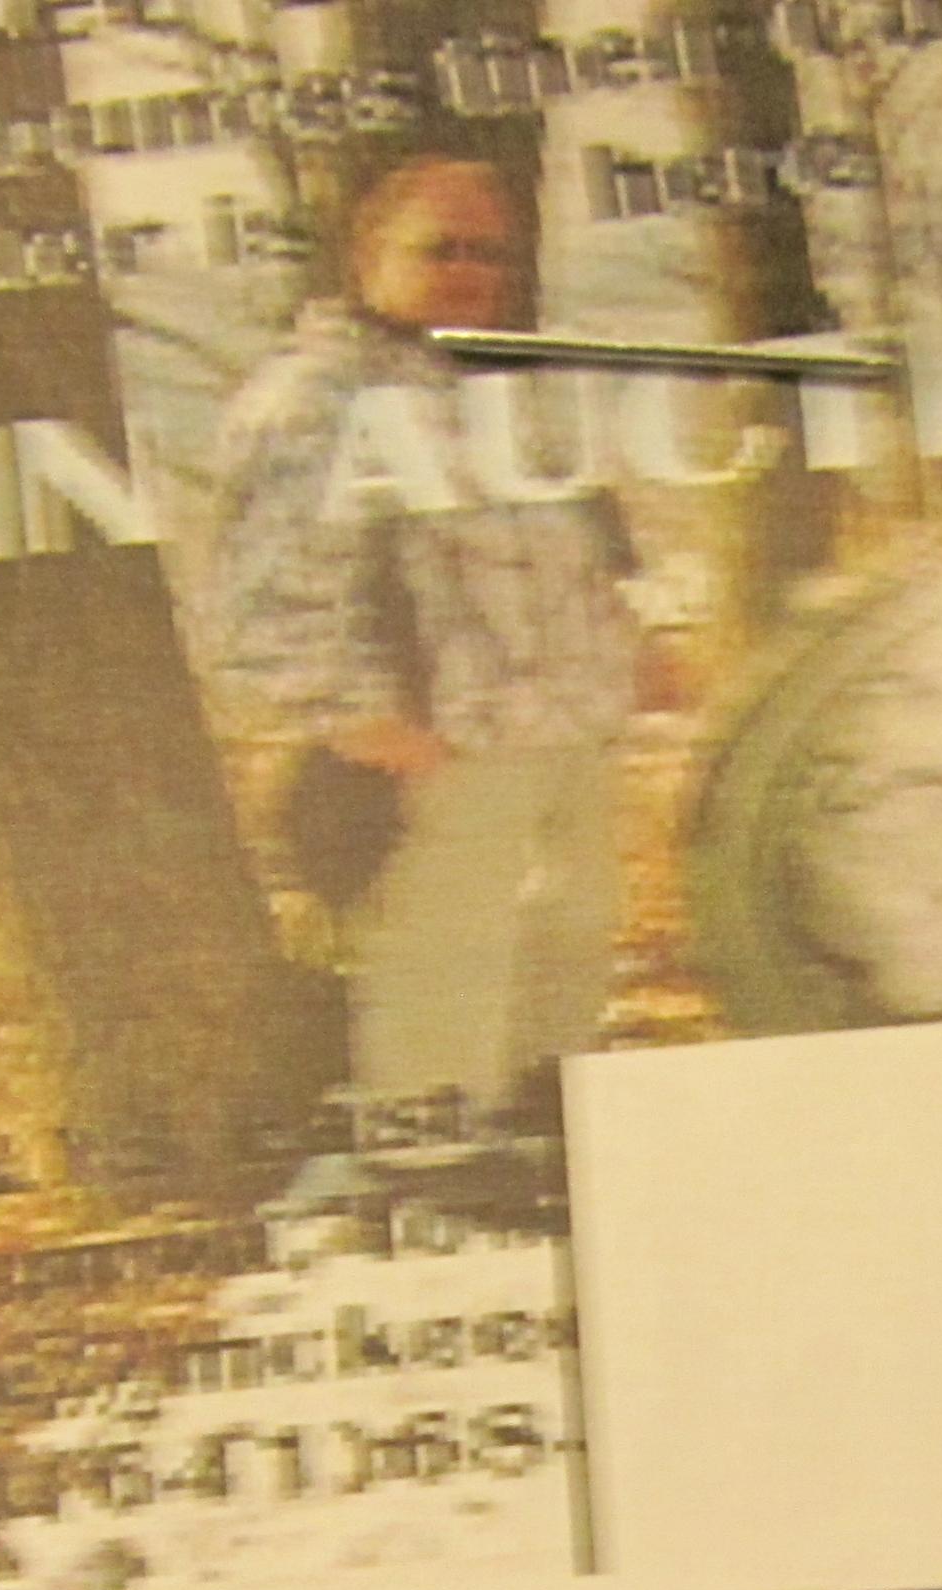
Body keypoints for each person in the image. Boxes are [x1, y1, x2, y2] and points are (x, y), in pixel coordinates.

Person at [195, 154, 649, 1123]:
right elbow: (264, 589)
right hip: (437, 750)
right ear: (367, 255)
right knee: (440, 990)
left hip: (563, 739)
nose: (469, 270)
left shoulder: (504, 386)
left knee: (563, 962)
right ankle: (432, 1189)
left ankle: (539, 1165)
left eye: (489, 252)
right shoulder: (314, 398)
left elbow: (575, 551)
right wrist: (353, 717)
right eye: (438, 248)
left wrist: (628, 653)